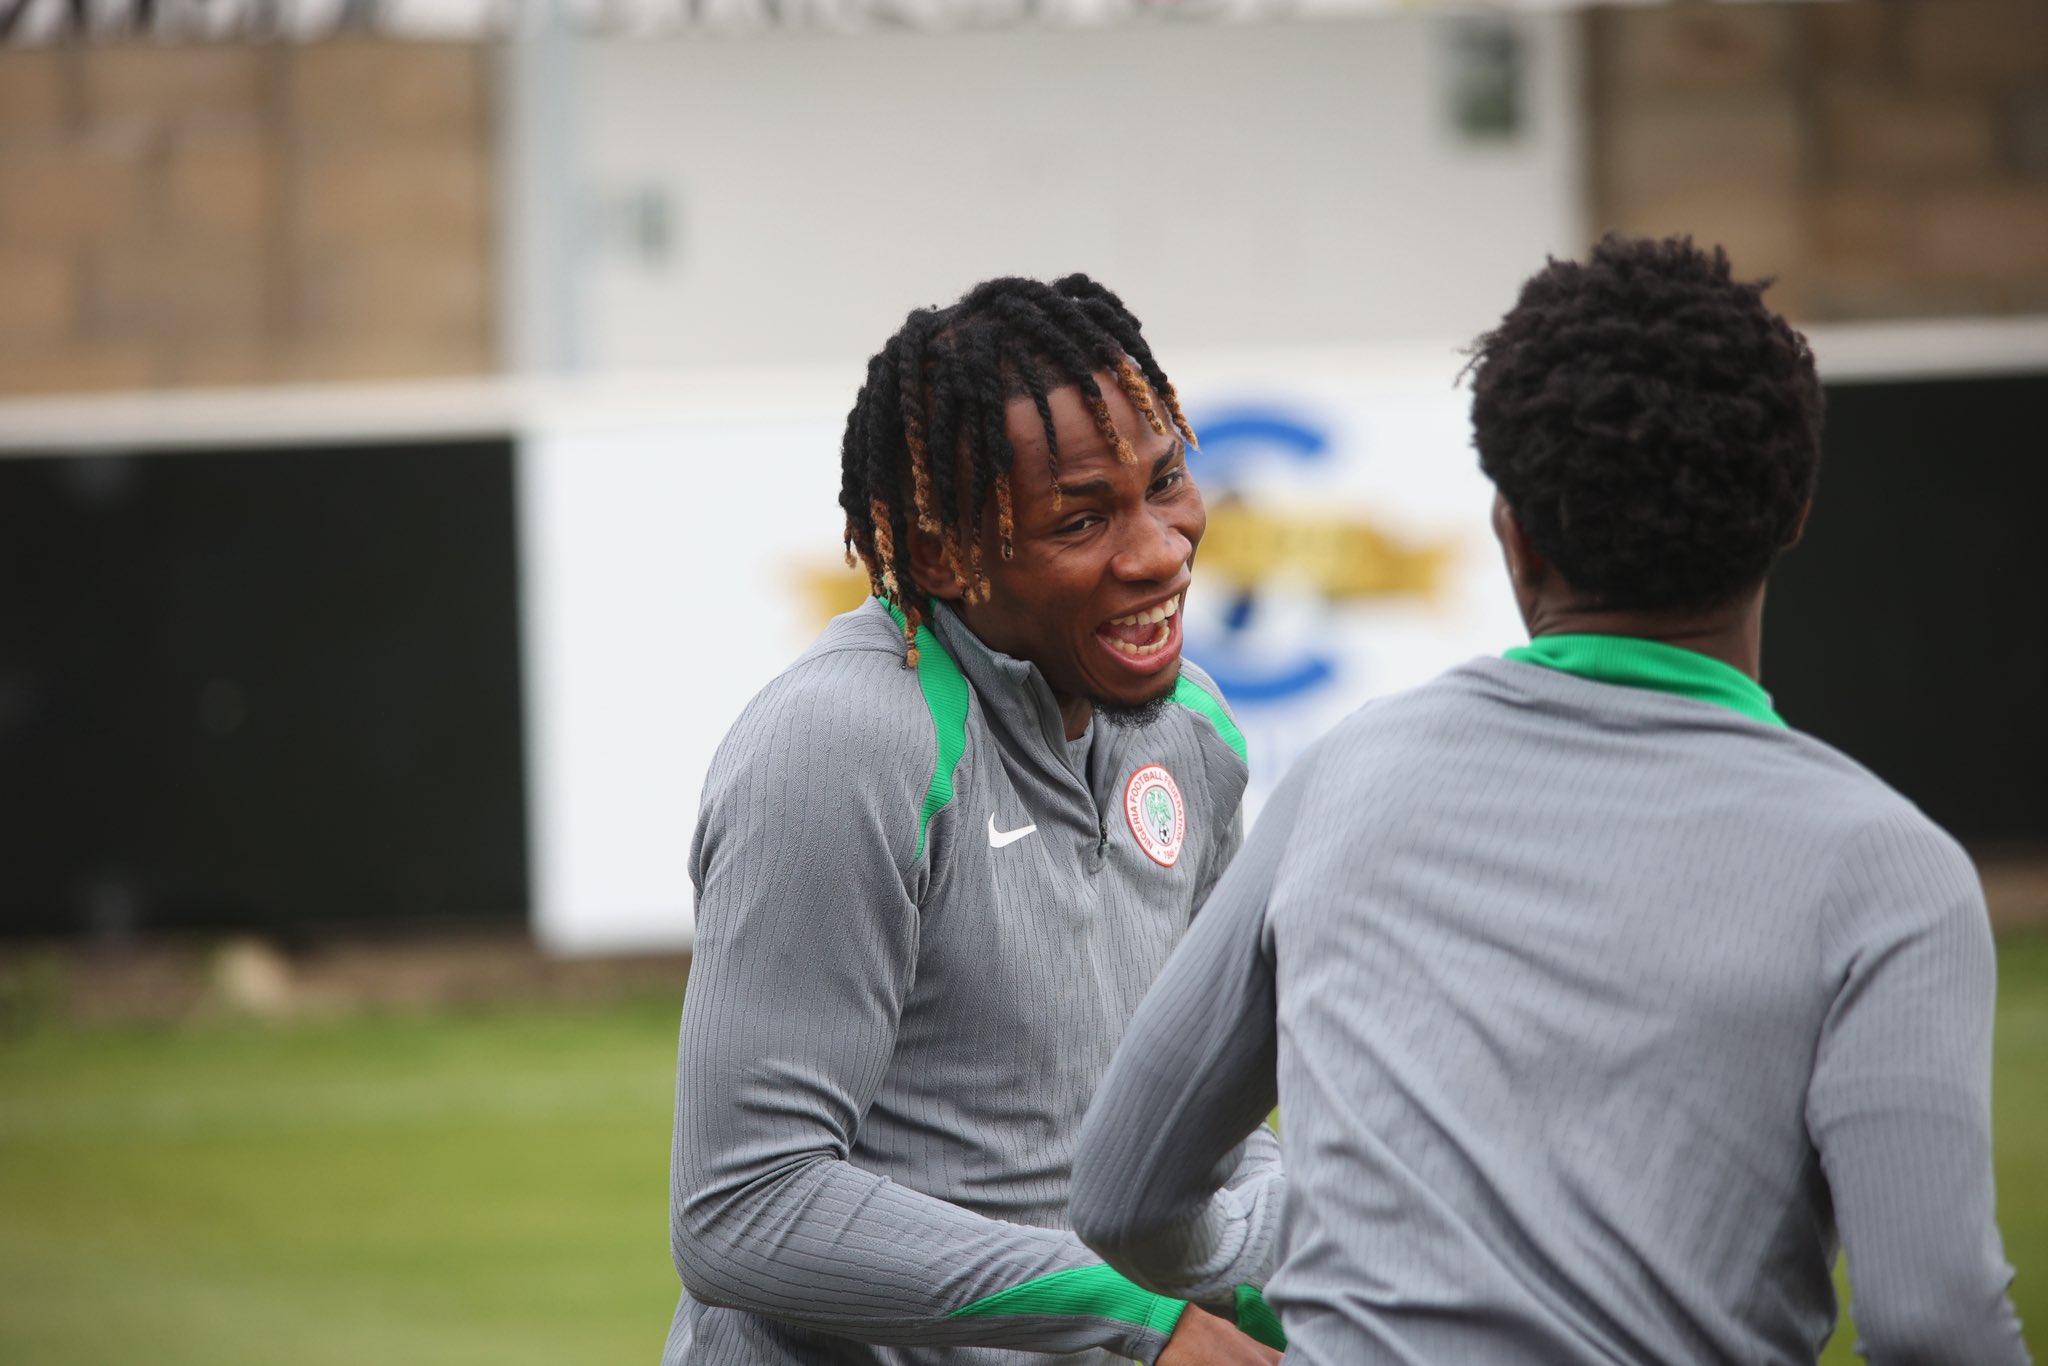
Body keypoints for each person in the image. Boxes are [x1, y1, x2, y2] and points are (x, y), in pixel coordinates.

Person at [1069, 236, 2029, 1363]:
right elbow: (1932, 1324)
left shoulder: (1348, 774)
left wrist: (1337, 1280)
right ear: (1794, 514)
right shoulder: (1893, 873)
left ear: (1511, 532)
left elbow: (1124, 1196)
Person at [663, 274, 1287, 1365]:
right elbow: (744, 1205)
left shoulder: (1194, 734)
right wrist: (1140, 1321)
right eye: (1081, 519)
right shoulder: (842, 743)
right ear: (941, 553)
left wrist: (1286, 1284)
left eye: (1165, 483)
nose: (1160, 550)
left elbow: (1210, 1140)